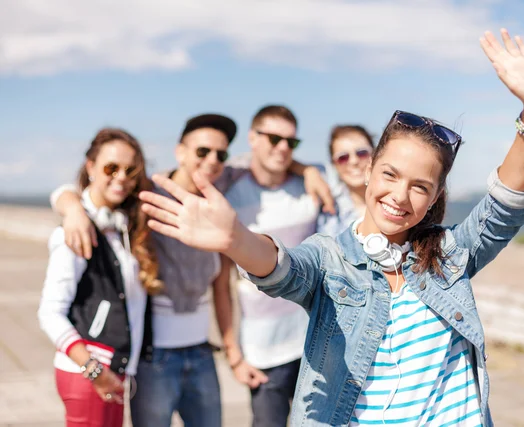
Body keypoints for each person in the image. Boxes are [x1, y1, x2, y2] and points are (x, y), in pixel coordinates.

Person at [139, 29, 524, 427]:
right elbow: (284, 269)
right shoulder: (330, 258)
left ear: (434, 196)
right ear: (370, 171)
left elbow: (506, 202)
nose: (400, 196)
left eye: (419, 187)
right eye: (390, 175)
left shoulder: (450, 253)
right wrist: (236, 240)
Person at [49, 113, 334, 427]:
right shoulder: (148, 192)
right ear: (180, 151)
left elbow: (268, 160)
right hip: (153, 357)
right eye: (202, 151)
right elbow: (101, 187)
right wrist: (70, 206)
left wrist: (306, 169)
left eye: (220, 154)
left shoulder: (221, 183)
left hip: (201, 353)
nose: (212, 160)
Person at [38, 128, 159, 427]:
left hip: (111, 372)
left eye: (130, 170)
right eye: (111, 167)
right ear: (90, 166)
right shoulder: (75, 231)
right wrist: (93, 371)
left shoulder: (121, 227)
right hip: (90, 373)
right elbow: (49, 313)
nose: (121, 177)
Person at [223, 105, 334, 427]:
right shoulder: (229, 195)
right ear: (252, 139)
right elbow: (221, 281)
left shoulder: (313, 184)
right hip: (263, 351)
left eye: (291, 142)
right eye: (274, 138)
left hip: (316, 341)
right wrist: (234, 353)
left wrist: (308, 171)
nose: (283, 147)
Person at [318, 125, 375, 237]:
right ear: (334, 164)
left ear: (375, 154)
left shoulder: (395, 201)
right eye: (343, 157)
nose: (354, 161)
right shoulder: (328, 208)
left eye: (362, 153)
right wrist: (308, 172)